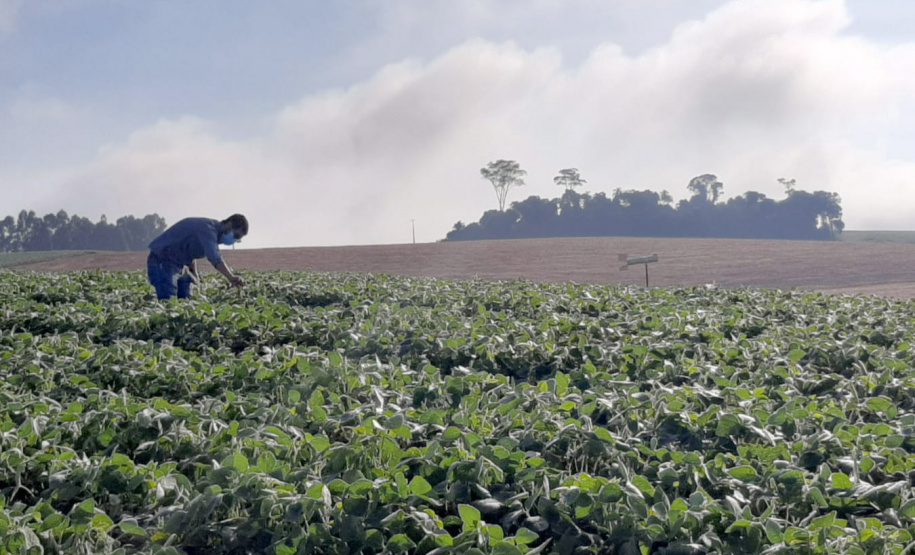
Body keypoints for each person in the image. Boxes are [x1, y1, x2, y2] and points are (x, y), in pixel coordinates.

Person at [147, 214, 248, 300]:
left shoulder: (211, 234)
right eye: (236, 236)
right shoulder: (208, 229)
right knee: (168, 302)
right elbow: (215, 257)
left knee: (186, 296)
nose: (234, 240)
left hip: (178, 265)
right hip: (161, 260)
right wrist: (230, 277)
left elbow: (190, 251)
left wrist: (195, 273)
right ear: (229, 225)